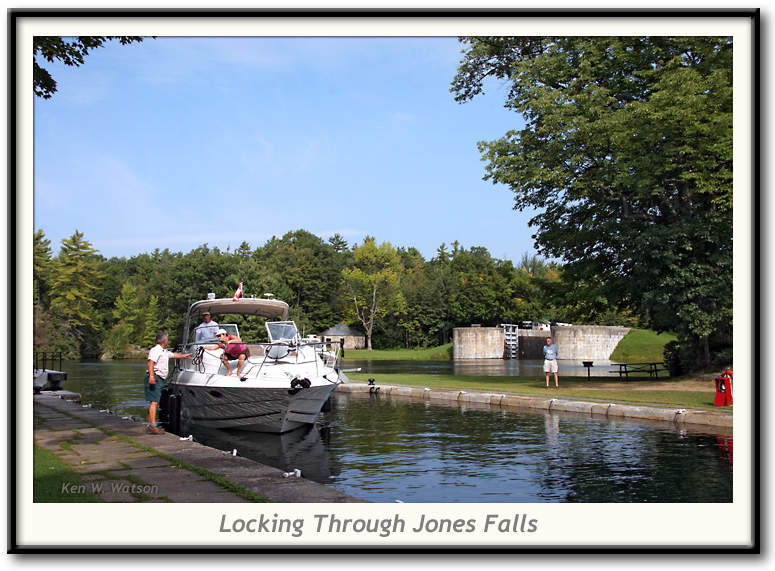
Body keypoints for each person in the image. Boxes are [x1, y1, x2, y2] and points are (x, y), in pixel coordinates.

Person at [145, 332, 192, 434]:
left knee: (155, 401)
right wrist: (152, 376)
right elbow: (150, 362)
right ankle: (152, 426)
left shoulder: (164, 351)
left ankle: (150, 425)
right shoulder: (156, 350)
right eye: (167, 339)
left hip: (159, 379)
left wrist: (184, 356)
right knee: (154, 402)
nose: (168, 341)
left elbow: (173, 355)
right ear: (164, 341)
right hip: (155, 377)